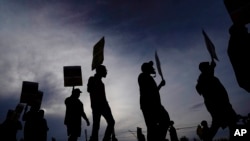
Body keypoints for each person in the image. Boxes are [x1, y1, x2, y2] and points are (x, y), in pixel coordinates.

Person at [196, 60, 237, 140]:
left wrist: (212, 67)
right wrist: (212, 67)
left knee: (223, 123)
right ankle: (205, 136)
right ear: (204, 69)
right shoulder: (204, 78)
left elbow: (209, 74)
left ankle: (205, 137)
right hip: (219, 106)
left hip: (221, 105)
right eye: (207, 66)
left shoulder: (206, 77)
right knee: (230, 122)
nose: (209, 67)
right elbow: (208, 76)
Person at [138, 61, 170, 141]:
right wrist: (160, 85)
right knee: (153, 126)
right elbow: (150, 91)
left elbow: (154, 91)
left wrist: (160, 85)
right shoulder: (143, 76)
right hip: (149, 105)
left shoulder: (147, 77)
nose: (153, 68)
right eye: (151, 67)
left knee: (157, 125)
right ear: (147, 69)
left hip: (153, 104)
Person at [87, 65, 118, 141]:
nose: (106, 72)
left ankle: (106, 138)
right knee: (96, 126)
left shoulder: (102, 83)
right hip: (96, 106)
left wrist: (107, 105)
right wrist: (96, 81)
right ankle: (95, 139)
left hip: (104, 105)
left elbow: (103, 97)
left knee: (111, 122)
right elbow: (89, 89)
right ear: (100, 71)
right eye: (105, 70)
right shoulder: (92, 79)